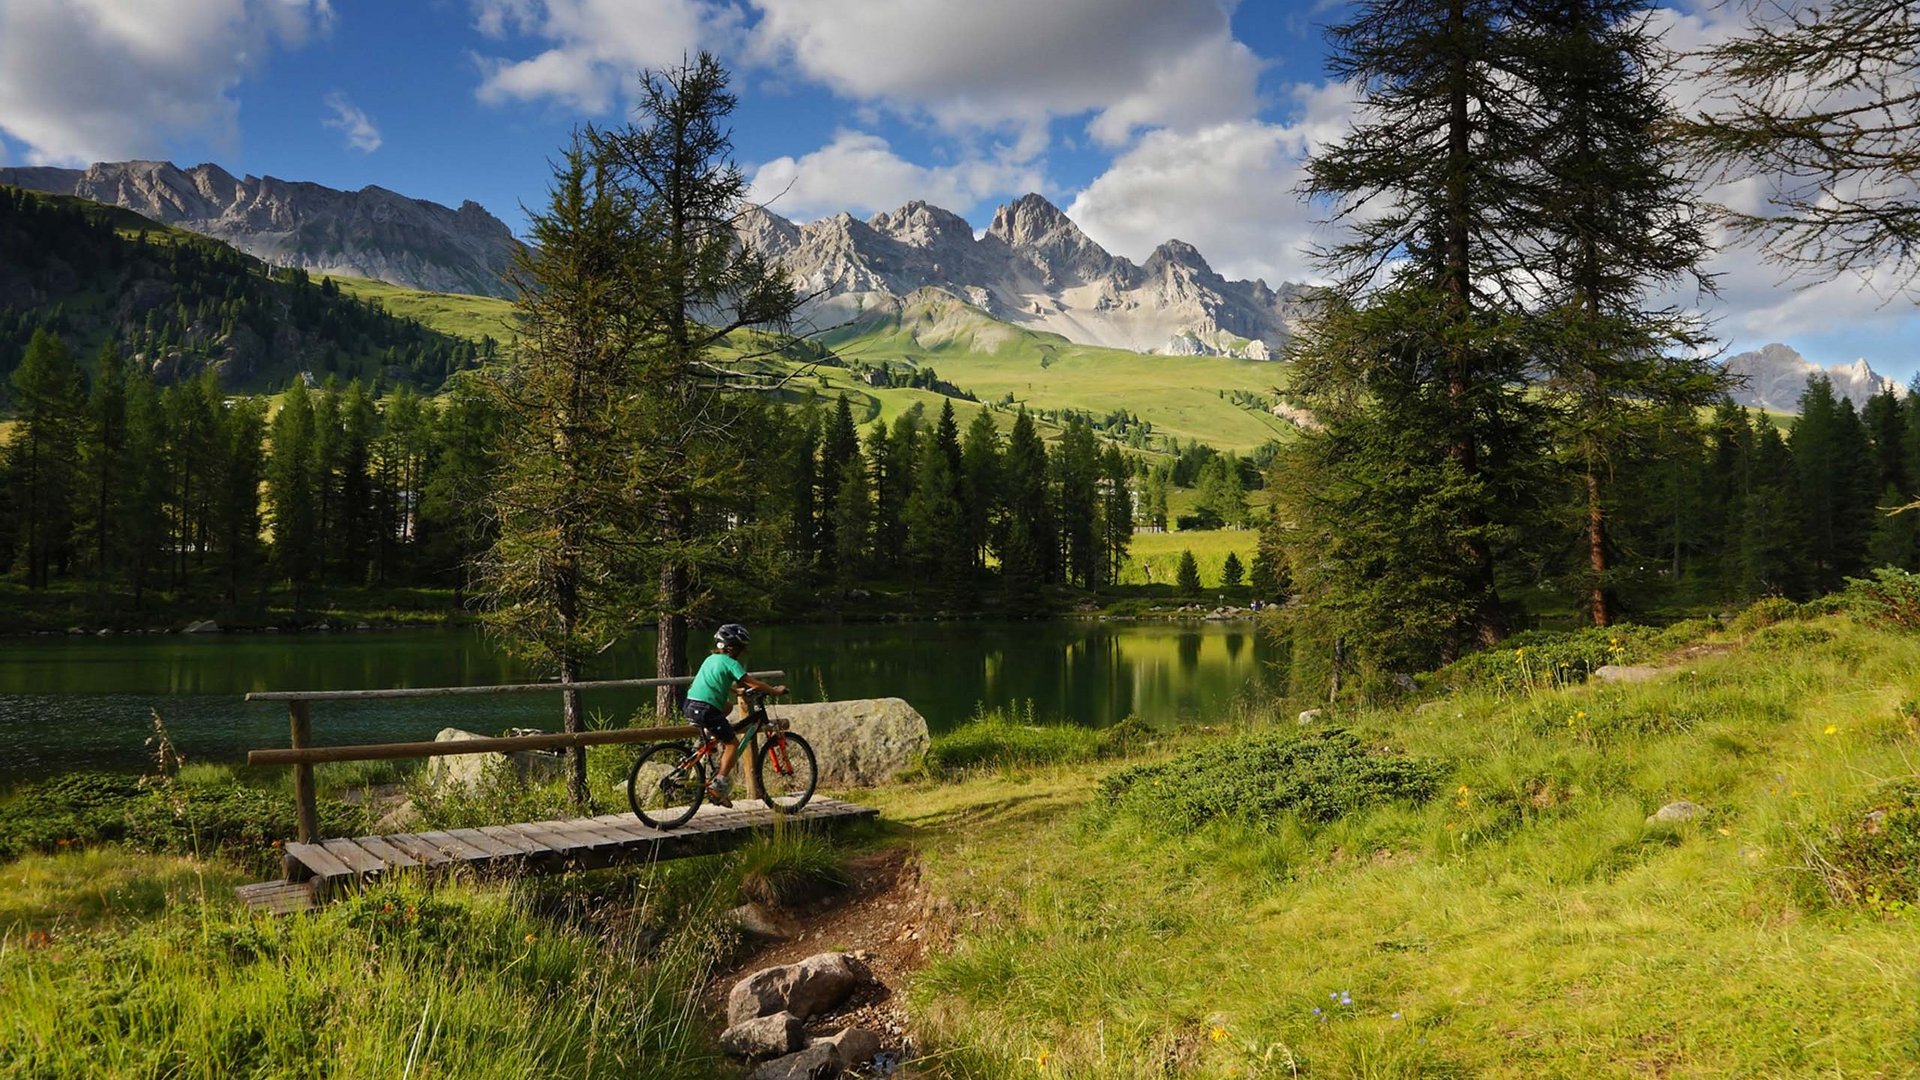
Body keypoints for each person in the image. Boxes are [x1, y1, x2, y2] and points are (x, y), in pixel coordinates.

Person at [684, 623, 787, 806]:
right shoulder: (732, 663)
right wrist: (774, 690)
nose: (743, 652)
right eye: (742, 649)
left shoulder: (710, 659)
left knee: (727, 707)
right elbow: (751, 682)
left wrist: (736, 691)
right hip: (707, 709)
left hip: (690, 704)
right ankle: (719, 785)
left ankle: (708, 738)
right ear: (734, 648)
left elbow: (714, 681)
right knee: (732, 744)